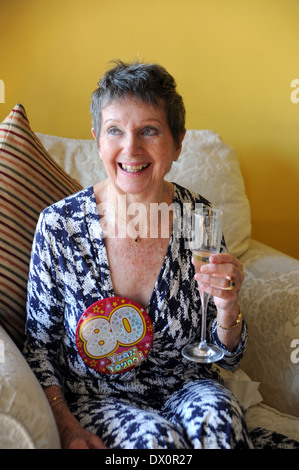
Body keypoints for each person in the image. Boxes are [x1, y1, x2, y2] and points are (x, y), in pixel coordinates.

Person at [24, 60, 252, 449]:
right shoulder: (59, 227)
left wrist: (229, 308)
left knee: (220, 424)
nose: (131, 148)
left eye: (149, 130)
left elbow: (227, 359)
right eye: (115, 131)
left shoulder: (199, 219)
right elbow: (39, 348)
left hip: (188, 388)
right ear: (98, 139)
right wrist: (65, 424)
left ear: (177, 143)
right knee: (155, 443)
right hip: (98, 398)